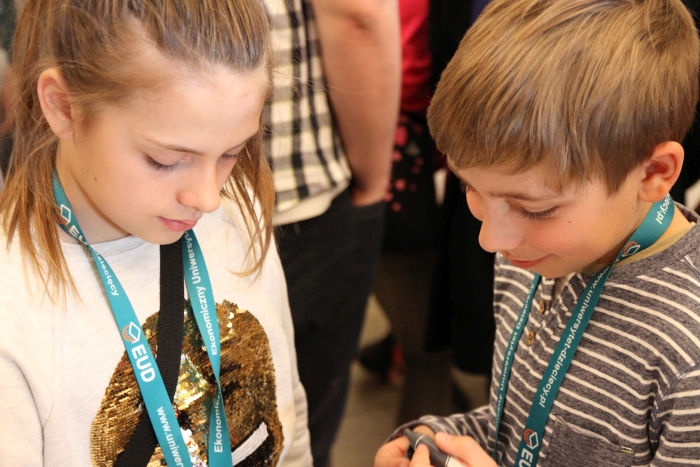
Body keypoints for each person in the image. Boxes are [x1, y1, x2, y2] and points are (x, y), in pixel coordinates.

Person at [375, 0, 700, 465]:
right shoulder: (531, 256)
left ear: (653, 173)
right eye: (471, 187)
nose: (491, 240)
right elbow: (523, 428)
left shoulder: (688, 357)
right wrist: (436, 440)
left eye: (535, 209)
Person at [0, 0, 312, 466]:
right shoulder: (14, 312)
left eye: (231, 153)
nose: (207, 197)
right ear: (64, 107)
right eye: (165, 161)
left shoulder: (234, 217)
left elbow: (290, 425)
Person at [262, 0, 401, 465]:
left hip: (141, 204)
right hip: (300, 195)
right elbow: (359, 14)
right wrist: (374, 180)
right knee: (302, 430)